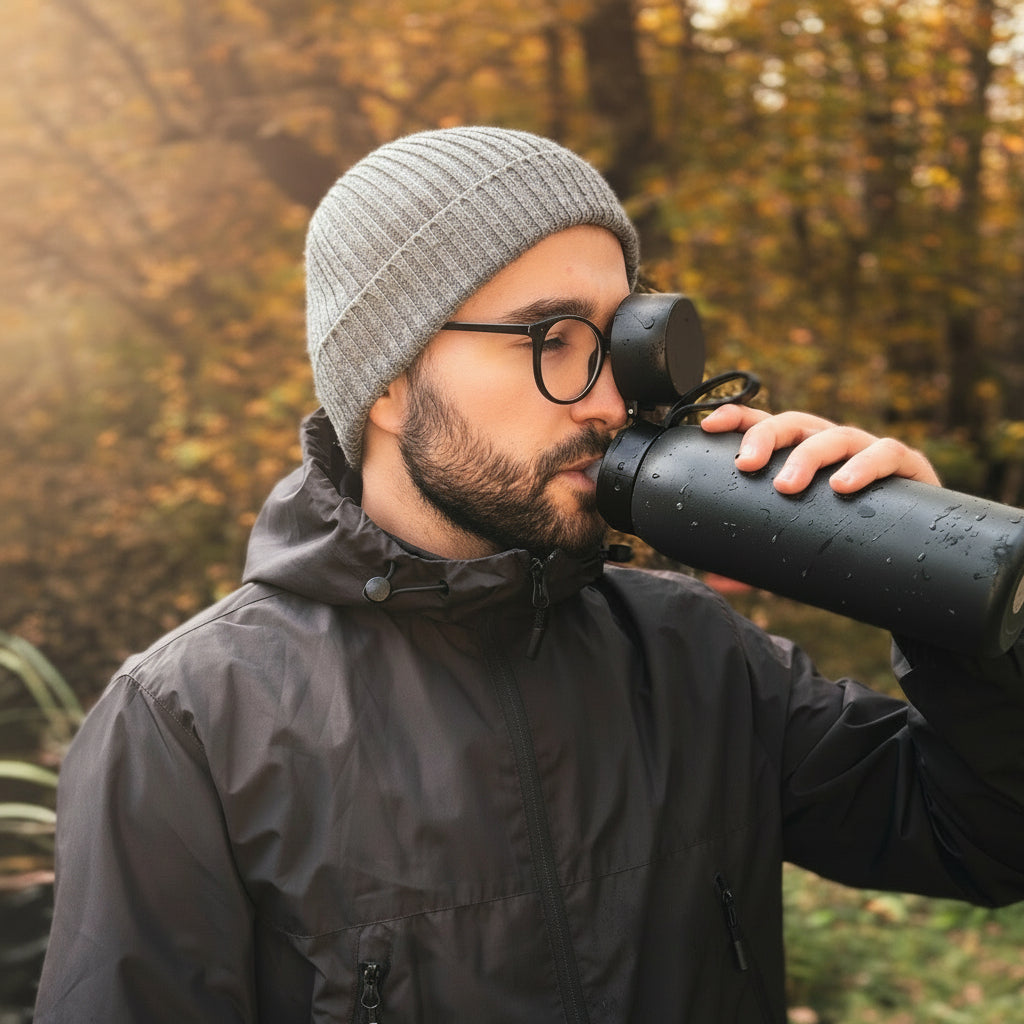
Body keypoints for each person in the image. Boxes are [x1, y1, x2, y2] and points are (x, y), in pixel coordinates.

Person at [34, 126, 1024, 1023]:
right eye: (550, 340)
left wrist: (930, 589)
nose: (605, 401)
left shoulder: (693, 656)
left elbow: (983, 835)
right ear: (386, 376)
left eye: (618, 343)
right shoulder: (190, 724)